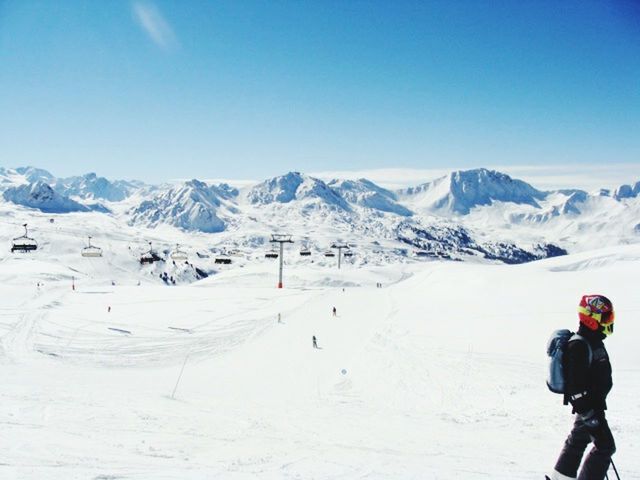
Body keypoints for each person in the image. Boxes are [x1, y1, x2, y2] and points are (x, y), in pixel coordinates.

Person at [550, 295, 616, 480]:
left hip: (592, 405)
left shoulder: (593, 340)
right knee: (605, 446)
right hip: (589, 408)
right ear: (591, 318)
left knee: (578, 440)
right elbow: (575, 387)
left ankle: (559, 477)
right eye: (605, 318)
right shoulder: (578, 345)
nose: (609, 322)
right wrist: (589, 414)